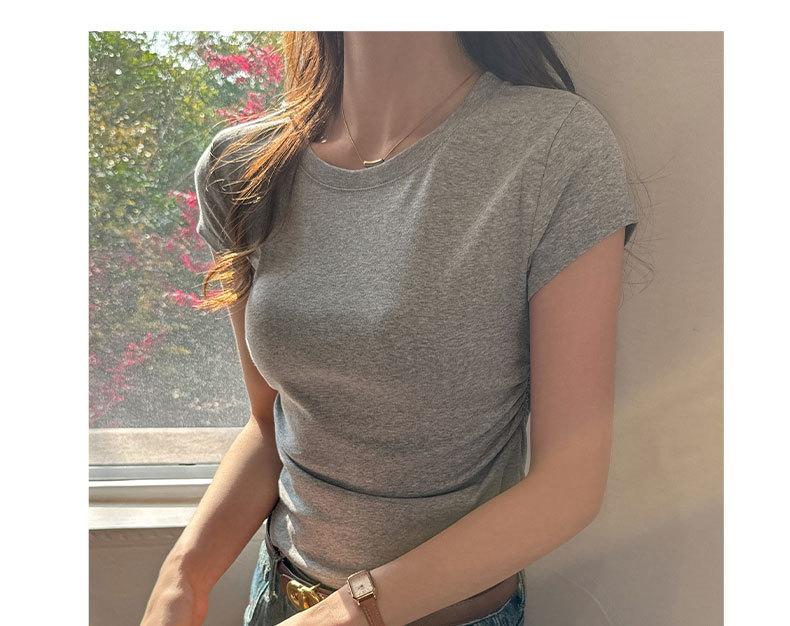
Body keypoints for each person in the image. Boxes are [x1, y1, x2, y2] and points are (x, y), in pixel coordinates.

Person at [141, 31, 640, 626]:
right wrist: (184, 577)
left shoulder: (554, 147)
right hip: (279, 598)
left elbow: (569, 485)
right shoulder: (244, 169)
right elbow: (271, 421)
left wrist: (347, 614)